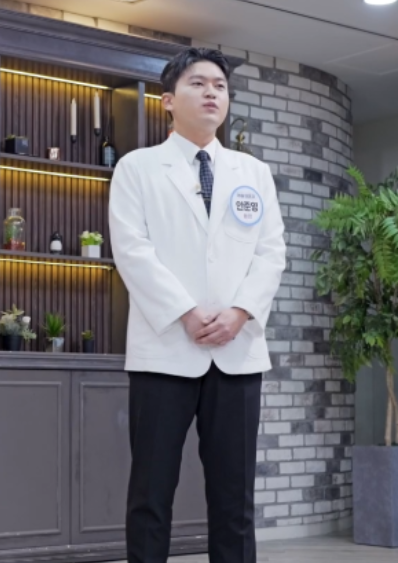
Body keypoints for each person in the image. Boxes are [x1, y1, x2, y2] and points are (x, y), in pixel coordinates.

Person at [108, 47, 287, 563]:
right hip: (165, 349)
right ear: (168, 100)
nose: (212, 93)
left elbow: (271, 253)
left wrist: (240, 313)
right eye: (198, 83)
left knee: (235, 499)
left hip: (237, 351)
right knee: (151, 493)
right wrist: (187, 312)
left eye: (220, 86)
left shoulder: (253, 172)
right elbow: (132, 251)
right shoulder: (138, 168)